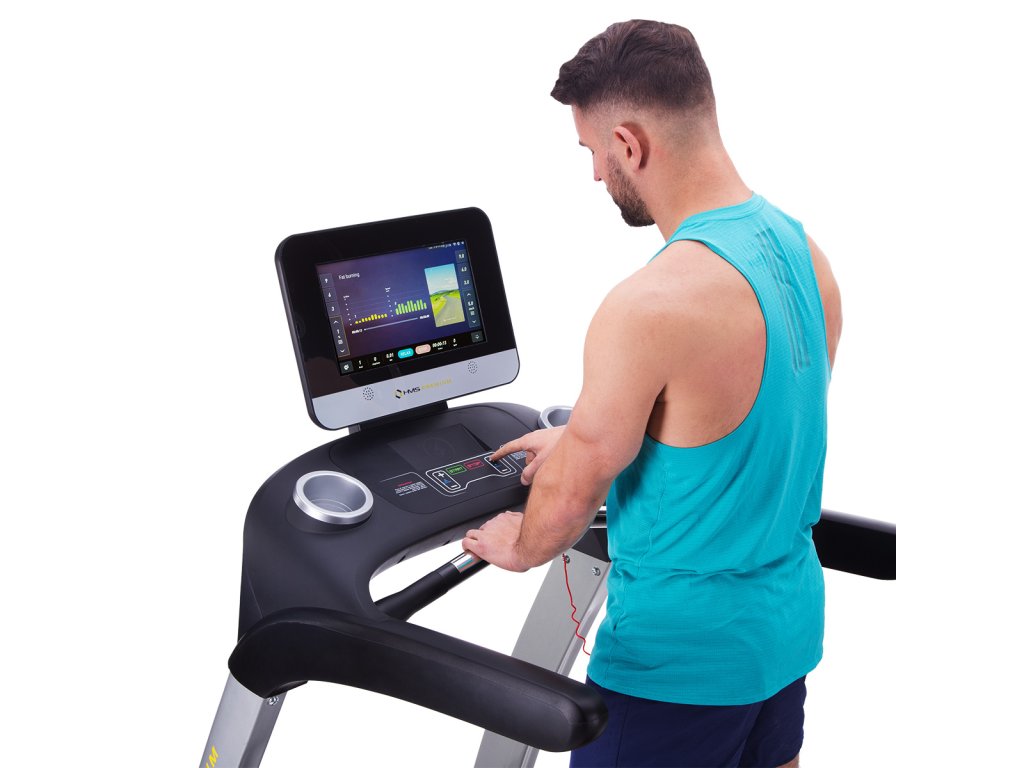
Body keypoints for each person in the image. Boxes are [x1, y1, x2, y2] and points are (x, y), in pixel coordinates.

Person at [462, 19, 841, 768]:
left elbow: (572, 496)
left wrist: (523, 545)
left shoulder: (650, 305)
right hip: (782, 639)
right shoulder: (805, 254)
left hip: (676, 669)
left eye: (592, 153)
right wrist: (584, 434)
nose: (595, 176)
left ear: (629, 144)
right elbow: (740, 430)